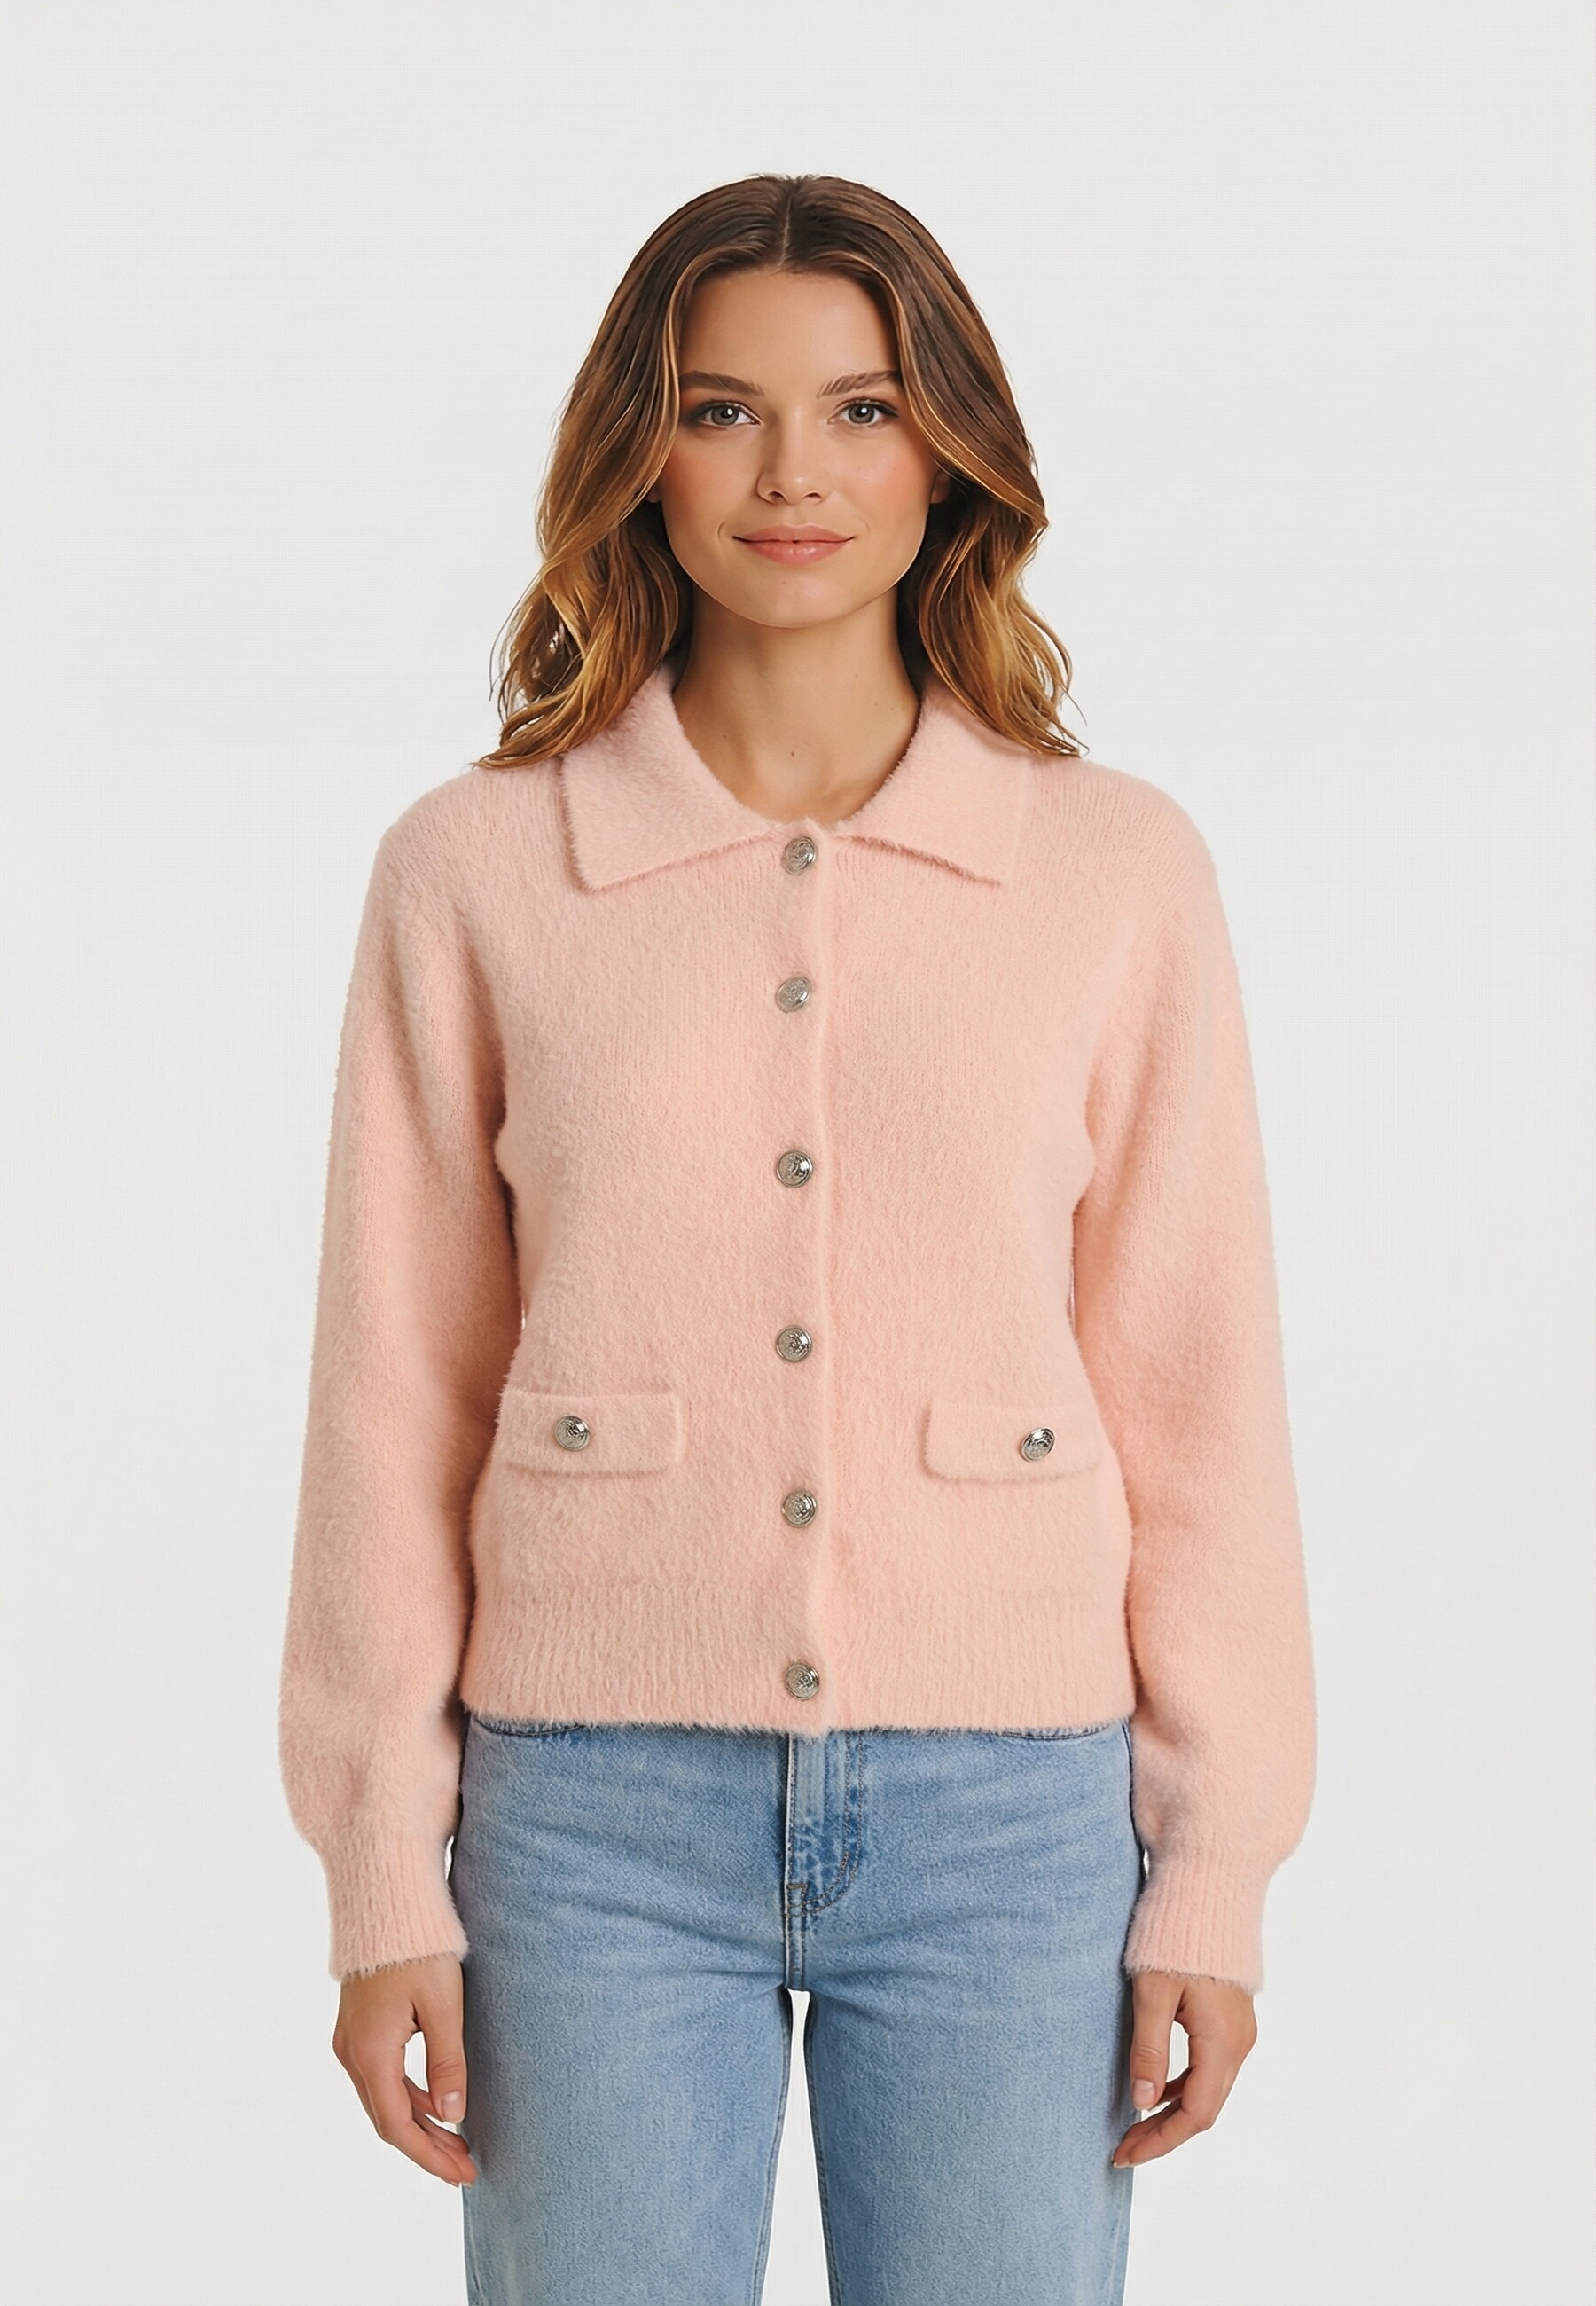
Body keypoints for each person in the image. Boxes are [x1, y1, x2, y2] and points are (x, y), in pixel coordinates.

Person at [278, 173, 1317, 2305]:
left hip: (1014, 1820)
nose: (793, 476)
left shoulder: (1113, 872)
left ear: (950, 456)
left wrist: (1213, 1868)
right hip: (587, 1821)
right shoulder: (478, 868)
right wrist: (382, 1860)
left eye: (860, 409)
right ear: (637, 454)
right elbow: (392, 1395)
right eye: (721, 410)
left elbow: (1200, 1395)